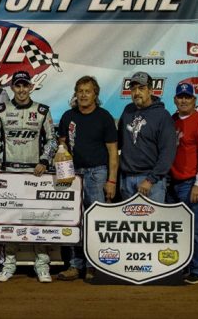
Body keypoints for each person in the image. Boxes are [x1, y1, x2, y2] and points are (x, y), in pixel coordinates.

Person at [0, 70, 58, 283]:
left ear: (30, 87)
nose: (21, 90)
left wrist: (44, 161)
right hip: (10, 173)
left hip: (35, 174)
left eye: (25, 85)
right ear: (12, 87)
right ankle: (8, 265)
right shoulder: (0, 110)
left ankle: (42, 265)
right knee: (10, 220)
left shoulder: (43, 110)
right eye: (17, 86)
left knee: (37, 219)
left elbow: (52, 141)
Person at [56, 76, 119, 281]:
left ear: (95, 94)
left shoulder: (104, 117)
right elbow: (62, 146)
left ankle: (94, 265)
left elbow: (112, 151)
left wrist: (111, 181)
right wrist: (64, 171)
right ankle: (75, 265)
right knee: (73, 219)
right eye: (80, 91)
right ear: (76, 93)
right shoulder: (68, 116)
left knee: (96, 220)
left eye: (87, 91)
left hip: (97, 173)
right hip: (73, 174)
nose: (83, 95)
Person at [166, 82, 198, 285]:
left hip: (191, 183)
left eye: (188, 97)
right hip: (172, 182)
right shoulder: (172, 120)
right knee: (176, 228)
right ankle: (180, 266)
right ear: (175, 100)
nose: (184, 100)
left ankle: (197, 269)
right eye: (180, 97)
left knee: (195, 228)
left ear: (194, 100)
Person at [117, 71, 176, 203]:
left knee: (152, 221)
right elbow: (119, 141)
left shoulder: (162, 116)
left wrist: (151, 179)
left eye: (141, 88)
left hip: (151, 181)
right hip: (126, 179)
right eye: (133, 89)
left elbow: (168, 153)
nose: (136, 92)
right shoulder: (128, 111)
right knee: (129, 222)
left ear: (150, 90)